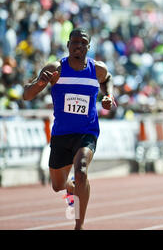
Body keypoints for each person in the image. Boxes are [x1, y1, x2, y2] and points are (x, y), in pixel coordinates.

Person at [23, 28, 116, 230]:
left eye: (83, 43)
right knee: (57, 185)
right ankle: (70, 187)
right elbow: (27, 96)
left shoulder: (97, 69)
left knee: (81, 170)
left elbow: (107, 78)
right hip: (61, 134)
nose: (79, 46)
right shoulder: (55, 68)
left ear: (88, 47)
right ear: (68, 45)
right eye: (75, 42)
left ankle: (79, 225)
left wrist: (108, 95)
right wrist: (40, 83)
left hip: (87, 131)